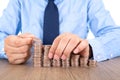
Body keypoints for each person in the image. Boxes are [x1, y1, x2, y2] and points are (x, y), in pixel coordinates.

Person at [0, 0, 120, 64]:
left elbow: (116, 36)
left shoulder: (89, 1)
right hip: (29, 69)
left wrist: (89, 48)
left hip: (74, 71)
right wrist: (6, 48)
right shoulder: (18, 1)